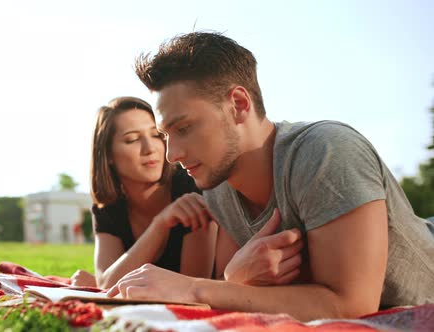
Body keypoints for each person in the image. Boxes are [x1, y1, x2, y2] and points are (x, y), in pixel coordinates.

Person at [107, 32, 434, 320]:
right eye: (167, 135)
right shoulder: (218, 188)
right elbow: (242, 293)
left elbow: (351, 307)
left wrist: (195, 289)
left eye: (184, 128)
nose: (171, 155)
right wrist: (234, 278)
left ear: (238, 104)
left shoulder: (326, 152)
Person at [71, 96, 303, 289]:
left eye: (156, 135)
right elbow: (106, 283)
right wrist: (160, 225)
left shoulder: (191, 185)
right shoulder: (109, 206)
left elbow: (189, 287)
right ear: (108, 155)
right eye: (132, 140)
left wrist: (111, 281)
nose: (150, 148)